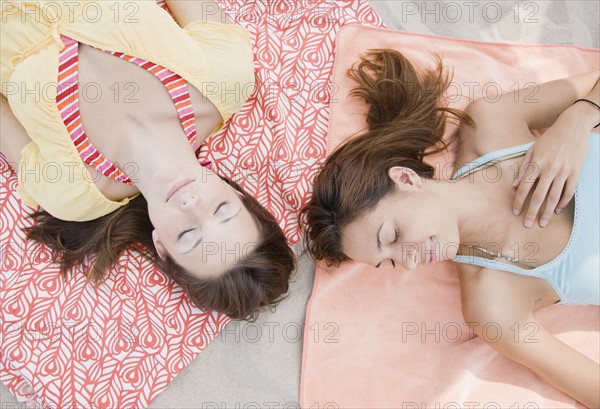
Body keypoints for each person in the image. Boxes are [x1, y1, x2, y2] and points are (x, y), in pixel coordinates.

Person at [302, 49, 599, 407]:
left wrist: (577, 119)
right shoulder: (492, 305)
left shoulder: (492, 122)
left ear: (406, 178)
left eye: (392, 237)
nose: (410, 262)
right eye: (392, 261)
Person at [1, 0, 294, 320]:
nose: (191, 205)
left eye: (188, 235)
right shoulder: (225, 79)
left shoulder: (71, 194)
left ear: (161, 246)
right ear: (237, 194)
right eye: (221, 209)